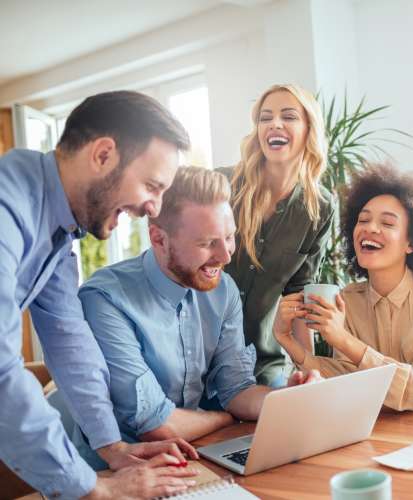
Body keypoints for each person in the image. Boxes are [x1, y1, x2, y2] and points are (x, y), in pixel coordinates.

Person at [0, 91, 199, 499]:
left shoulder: (57, 228)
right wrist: (95, 489)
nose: (154, 207)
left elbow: (68, 338)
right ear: (103, 155)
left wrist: (113, 447)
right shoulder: (7, 210)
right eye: (151, 185)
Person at [77, 167, 320, 459]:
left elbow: (237, 390)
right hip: (118, 472)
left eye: (229, 237)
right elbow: (156, 425)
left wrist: (287, 399)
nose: (226, 256)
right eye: (207, 244)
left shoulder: (222, 289)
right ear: (159, 239)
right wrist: (224, 418)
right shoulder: (105, 299)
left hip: (194, 455)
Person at [273, 164, 413, 411]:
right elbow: (348, 380)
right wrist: (288, 341)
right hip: (386, 423)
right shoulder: (349, 299)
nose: (370, 228)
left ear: (412, 242)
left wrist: (344, 339)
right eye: (363, 220)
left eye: (388, 223)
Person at [217, 83, 334, 387]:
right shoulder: (221, 185)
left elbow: (300, 296)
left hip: (262, 365)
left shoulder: (319, 207)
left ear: (309, 129)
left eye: (289, 116)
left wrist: (313, 369)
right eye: (265, 118)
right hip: (201, 356)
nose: (274, 124)